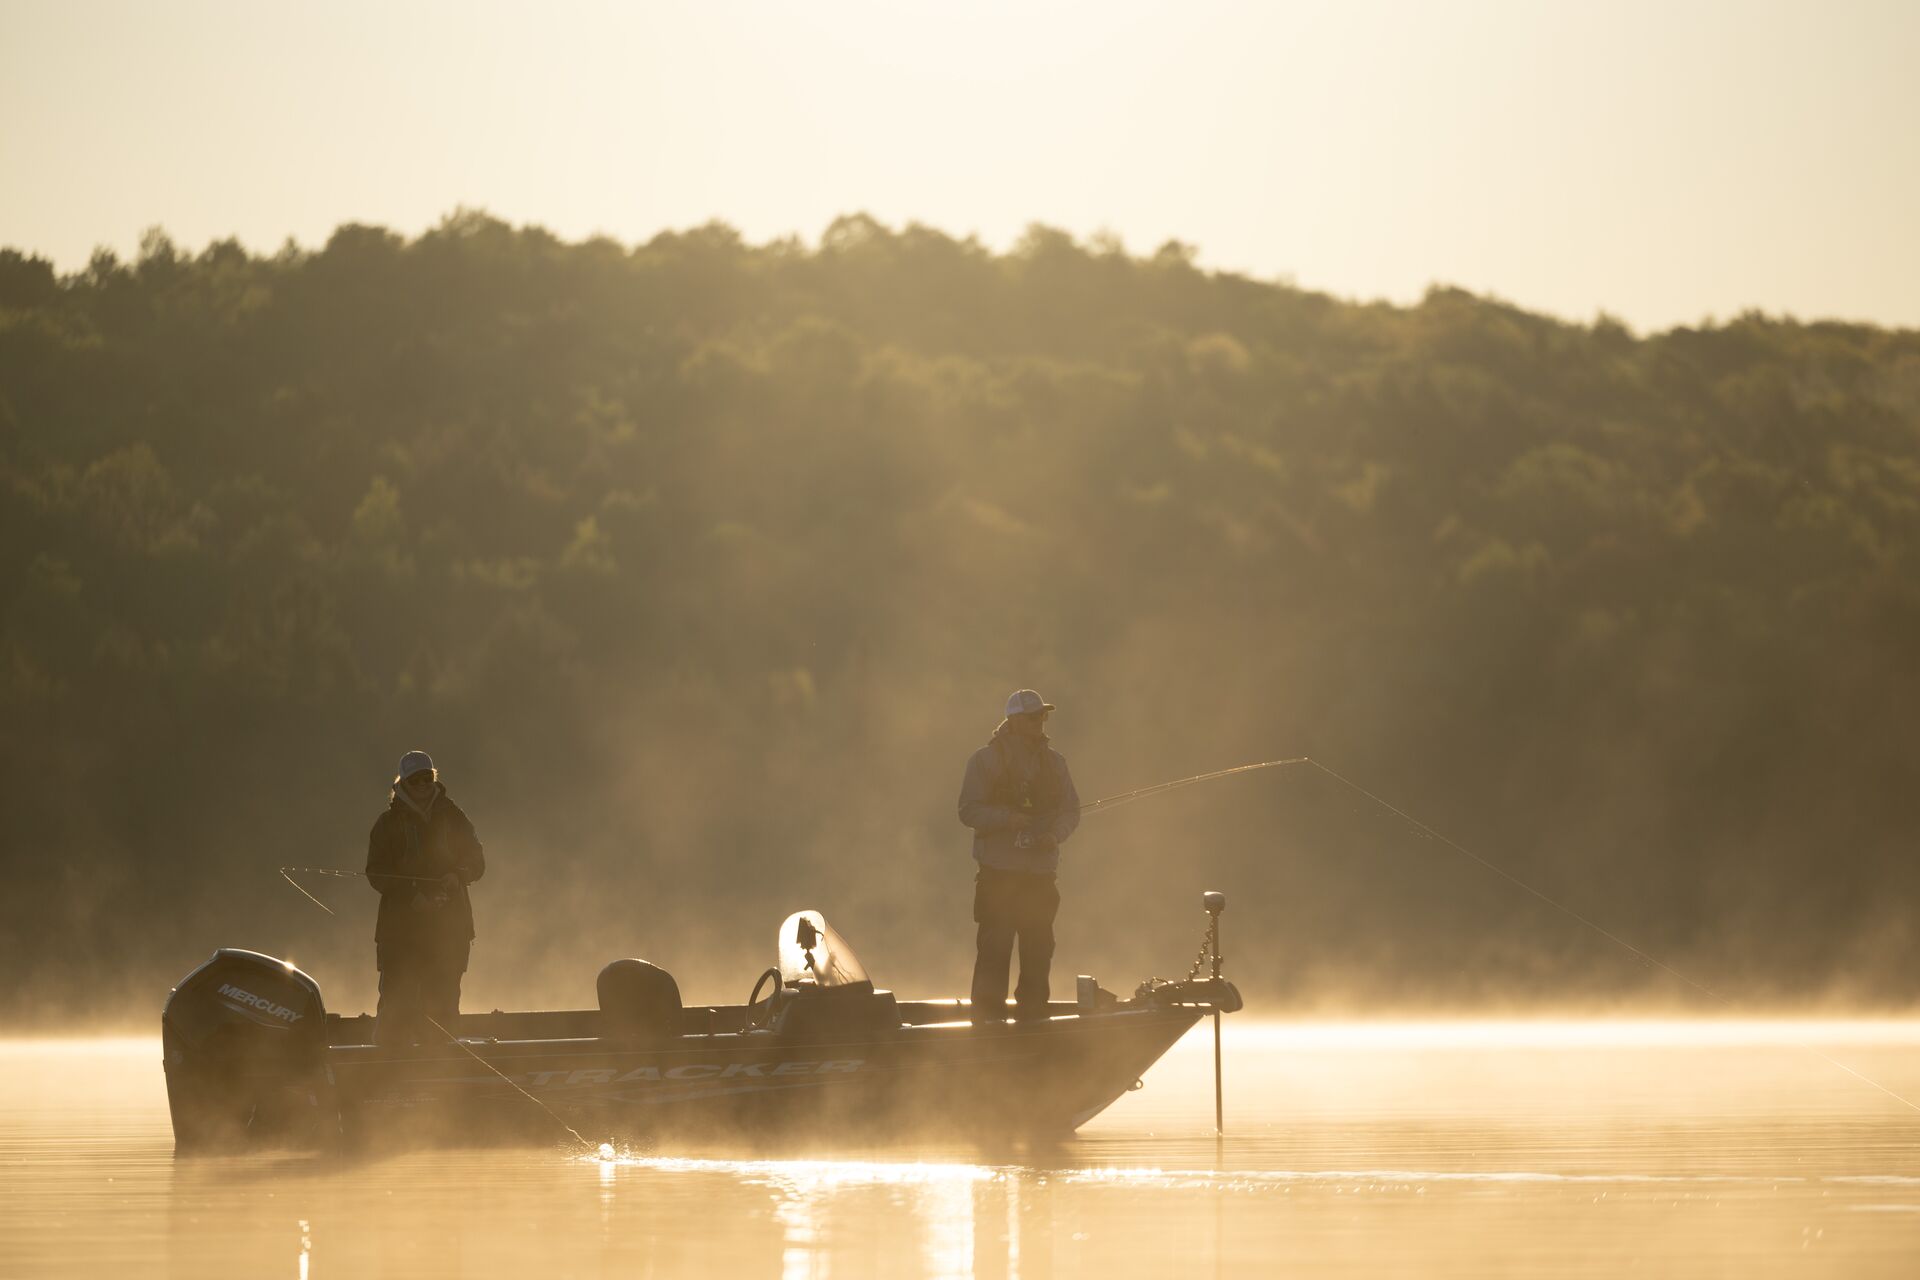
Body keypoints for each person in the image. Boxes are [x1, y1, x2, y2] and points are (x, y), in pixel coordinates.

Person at [957, 689, 1081, 1022]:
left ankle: (1034, 1019)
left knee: (1039, 952)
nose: (1040, 722)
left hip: (1040, 877)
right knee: (994, 951)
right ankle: (986, 1023)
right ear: (1013, 721)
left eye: (1042, 715)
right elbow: (968, 811)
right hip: (998, 875)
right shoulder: (984, 761)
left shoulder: (1056, 763)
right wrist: (1008, 820)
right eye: (1032, 717)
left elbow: (1070, 811)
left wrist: (1054, 835)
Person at [366, 750, 485, 1046]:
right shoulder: (386, 823)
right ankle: (383, 1073)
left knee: (443, 1004)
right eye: (415, 780)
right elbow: (376, 873)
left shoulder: (453, 815)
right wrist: (412, 896)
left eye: (427, 778)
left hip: (450, 931)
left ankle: (441, 1073)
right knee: (396, 1002)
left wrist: (458, 876)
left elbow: (477, 861)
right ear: (402, 783)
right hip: (400, 933)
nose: (422, 785)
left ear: (434, 778)